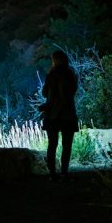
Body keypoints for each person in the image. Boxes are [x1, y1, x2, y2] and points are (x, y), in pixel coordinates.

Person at [41, 49, 79, 180]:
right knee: (67, 145)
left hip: (52, 115)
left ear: (55, 61)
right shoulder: (71, 74)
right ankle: (64, 172)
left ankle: (52, 174)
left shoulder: (52, 75)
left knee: (52, 144)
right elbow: (72, 93)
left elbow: (45, 93)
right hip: (68, 114)